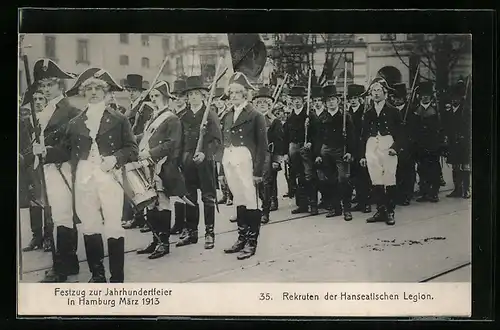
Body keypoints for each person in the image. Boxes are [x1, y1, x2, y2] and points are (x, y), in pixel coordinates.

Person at [34, 67, 138, 282]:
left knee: (113, 225)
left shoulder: (118, 119)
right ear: (83, 93)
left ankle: (117, 277)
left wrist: (115, 158)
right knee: (89, 225)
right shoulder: (75, 122)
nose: (93, 92)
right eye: (88, 89)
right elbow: (65, 151)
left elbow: (131, 149)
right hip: (83, 178)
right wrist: (46, 151)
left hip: (109, 177)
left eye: (97, 89)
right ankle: (97, 274)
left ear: (105, 92)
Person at [23, 58, 81, 282]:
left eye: (51, 84)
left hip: (61, 168)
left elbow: (73, 145)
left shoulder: (70, 110)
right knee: (57, 215)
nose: (46, 89)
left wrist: (48, 151)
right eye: (43, 85)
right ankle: (71, 263)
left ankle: (61, 268)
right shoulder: (45, 109)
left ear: (60, 86)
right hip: (47, 169)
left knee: (62, 216)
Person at [135, 81, 187, 259]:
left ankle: (164, 243)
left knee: (162, 201)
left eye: (156, 96)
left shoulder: (171, 118)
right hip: (147, 164)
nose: (153, 99)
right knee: (151, 202)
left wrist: (150, 153)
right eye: (152, 96)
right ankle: (155, 240)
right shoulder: (153, 116)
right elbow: (147, 136)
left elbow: (172, 144)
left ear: (165, 97)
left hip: (162, 164)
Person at [220, 72, 268, 260]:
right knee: (239, 199)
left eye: (237, 93)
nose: (233, 97)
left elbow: (262, 146)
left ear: (245, 94)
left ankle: (251, 242)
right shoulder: (228, 114)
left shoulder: (255, 115)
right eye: (231, 93)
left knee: (251, 201)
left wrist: (258, 172)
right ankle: (241, 238)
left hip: (247, 160)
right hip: (231, 158)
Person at [176, 76, 222, 250]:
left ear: (203, 95)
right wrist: (180, 159)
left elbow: (217, 140)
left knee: (208, 197)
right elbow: (179, 141)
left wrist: (205, 153)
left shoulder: (210, 115)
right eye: (190, 94)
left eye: (196, 93)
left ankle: (209, 233)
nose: (193, 97)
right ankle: (192, 232)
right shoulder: (183, 116)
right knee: (190, 198)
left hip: (205, 162)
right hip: (187, 162)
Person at [359, 78, 402, 226]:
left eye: (378, 90)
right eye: (373, 91)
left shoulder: (393, 111)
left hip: (388, 144)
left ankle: (390, 211)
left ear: (385, 92)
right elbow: (363, 134)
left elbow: (402, 133)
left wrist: (395, 148)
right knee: (376, 178)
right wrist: (362, 155)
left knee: (389, 177)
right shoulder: (368, 113)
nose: (375, 94)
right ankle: (380, 210)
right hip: (372, 145)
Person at [312, 84, 355, 220]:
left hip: (340, 150)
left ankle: (347, 209)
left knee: (343, 179)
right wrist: (318, 154)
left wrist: (350, 151)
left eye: (333, 99)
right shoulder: (322, 117)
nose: (331, 102)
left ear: (338, 101)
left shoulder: (345, 116)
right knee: (330, 180)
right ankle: (336, 208)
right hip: (326, 149)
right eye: (328, 100)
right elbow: (317, 137)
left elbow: (352, 136)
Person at [283, 86, 318, 216]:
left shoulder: (309, 115)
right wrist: (285, 153)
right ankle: (302, 204)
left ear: (303, 100)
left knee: (309, 176)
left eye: (298, 99)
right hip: (293, 149)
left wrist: (310, 142)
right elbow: (285, 136)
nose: (296, 102)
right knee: (298, 176)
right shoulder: (290, 116)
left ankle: (313, 204)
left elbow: (317, 133)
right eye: (294, 99)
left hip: (306, 149)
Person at [19, 89, 48, 252]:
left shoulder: (50, 119)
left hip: (48, 163)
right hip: (31, 165)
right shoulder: (25, 121)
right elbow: (22, 144)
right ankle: (36, 236)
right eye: (34, 99)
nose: (37, 102)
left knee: (48, 201)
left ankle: (49, 236)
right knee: (34, 201)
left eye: (41, 99)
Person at [408, 81, 445, 203]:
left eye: (427, 95)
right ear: (419, 96)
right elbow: (412, 128)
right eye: (423, 95)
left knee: (433, 168)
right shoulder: (414, 110)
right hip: (419, 145)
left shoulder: (436, 111)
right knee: (422, 169)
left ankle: (434, 192)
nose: (425, 97)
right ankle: (424, 192)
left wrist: (440, 143)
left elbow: (440, 129)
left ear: (431, 96)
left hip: (433, 145)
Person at [252, 86, 284, 223]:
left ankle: (266, 210)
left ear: (269, 105)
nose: (262, 105)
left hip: (268, 154)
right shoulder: (252, 119)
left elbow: (279, 141)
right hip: (254, 155)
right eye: (259, 103)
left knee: (266, 182)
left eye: (265, 103)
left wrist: (277, 159)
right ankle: (260, 204)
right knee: (256, 183)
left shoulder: (274, 121)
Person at [443, 81, 471, 199]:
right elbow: (447, 126)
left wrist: (464, 136)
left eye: (457, 97)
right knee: (455, 166)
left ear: (461, 97)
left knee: (464, 166)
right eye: (453, 97)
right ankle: (457, 189)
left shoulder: (467, 110)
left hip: (464, 142)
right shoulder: (449, 111)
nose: (455, 100)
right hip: (453, 142)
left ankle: (466, 189)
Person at [169, 79, 189, 236]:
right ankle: (178, 222)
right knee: (176, 192)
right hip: (172, 156)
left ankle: (185, 225)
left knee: (185, 191)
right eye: (175, 96)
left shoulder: (187, 114)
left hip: (184, 156)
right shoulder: (171, 114)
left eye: (181, 96)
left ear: (186, 98)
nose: (177, 99)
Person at [347, 84, 372, 213]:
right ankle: (360, 199)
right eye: (350, 98)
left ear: (360, 99)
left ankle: (366, 203)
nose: (353, 100)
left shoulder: (365, 111)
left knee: (364, 175)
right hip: (352, 146)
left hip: (363, 145)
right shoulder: (347, 113)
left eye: (355, 98)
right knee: (355, 174)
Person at [391, 82, 416, 206]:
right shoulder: (392, 111)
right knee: (397, 170)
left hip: (408, 145)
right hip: (395, 143)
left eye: (399, 98)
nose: (396, 100)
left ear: (404, 98)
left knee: (408, 171)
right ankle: (398, 194)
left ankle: (407, 195)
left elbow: (416, 129)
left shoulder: (410, 110)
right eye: (394, 98)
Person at [214, 87, 234, 207]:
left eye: (221, 100)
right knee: (220, 173)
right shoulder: (216, 114)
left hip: (226, 144)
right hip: (218, 146)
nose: (219, 103)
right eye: (217, 100)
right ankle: (224, 194)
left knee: (228, 171)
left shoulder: (228, 114)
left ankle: (230, 196)